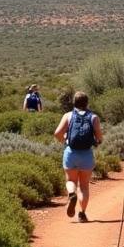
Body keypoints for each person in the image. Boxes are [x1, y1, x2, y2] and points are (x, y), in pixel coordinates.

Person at [53, 91, 103, 223]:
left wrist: (64, 140)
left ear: (74, 102)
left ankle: (71, 194)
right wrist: (97, 142)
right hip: (86, 154)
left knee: (70, 181)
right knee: (84, 186)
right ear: (87, 102)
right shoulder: (94, 117)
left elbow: (57, 133)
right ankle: (82, 213)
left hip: (71, 153)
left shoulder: (68, 115)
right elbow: (99, 138)